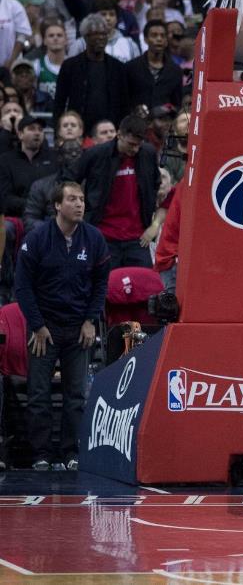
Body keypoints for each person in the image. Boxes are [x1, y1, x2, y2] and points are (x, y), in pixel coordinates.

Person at [13, 181, 107, 471]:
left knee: (76, 394)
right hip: (45, 329)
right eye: (71, 199)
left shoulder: (94, 239)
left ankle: (71, 453)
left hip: (79, 327)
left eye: (81, 199)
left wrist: (91, 320)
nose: (79, 204)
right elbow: (22, 287)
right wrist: (38, 326)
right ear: (57, 205)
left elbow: (101, 283)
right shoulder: (38, 238)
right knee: (39, 393)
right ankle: (41, 453)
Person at [71, 114, 159, 268]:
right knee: (106, 286)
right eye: (131, 144)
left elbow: (157, 186)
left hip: (138, 237)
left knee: (144, 285)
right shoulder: (96, 154)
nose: (135, 149)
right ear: (119, 135)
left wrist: (155, 224)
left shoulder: (148, 154)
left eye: (139, 144)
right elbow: (68, 180)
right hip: (104, 234)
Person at [53, 12, 129, 130]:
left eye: (104, 34)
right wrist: (57, 132)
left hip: (110, 131)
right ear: (85, 37)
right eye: (95, 34)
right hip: (79, 130)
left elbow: (124, 104)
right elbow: (59, 102)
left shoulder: (118, 68)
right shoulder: (70, 66)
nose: (100, 38)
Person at [0, 115, 56, 217]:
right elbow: (5, 197)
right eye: (31, 129)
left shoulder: (54, 159)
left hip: (48, 215)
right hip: (17, 215)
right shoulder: (6, 160)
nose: (37, 133)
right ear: (20, 134)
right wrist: (32, 205)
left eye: (40, 129)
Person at [125, 19, 182, 112]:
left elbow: (177, 103)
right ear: (145, 39)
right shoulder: (130, 68)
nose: (159, 39)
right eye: (154, 35)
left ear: (166, 40)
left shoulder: (175, 71)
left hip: (166, 123)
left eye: (162, 36)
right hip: (138, 123)